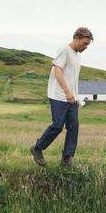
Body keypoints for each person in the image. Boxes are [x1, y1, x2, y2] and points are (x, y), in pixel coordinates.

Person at [30, 27, 93, 168]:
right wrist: (66, 92)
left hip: (71, 97)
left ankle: (66, 159)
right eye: (84, 43)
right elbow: (57, 70)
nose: (86, 47)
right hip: (59, 95)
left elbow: (73, 79)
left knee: (74, 126)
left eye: (88, 44)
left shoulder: (78, 56)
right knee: (58, 126)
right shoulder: (64, 50)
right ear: (76, 38)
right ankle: (37, 148)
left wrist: (76, 97)